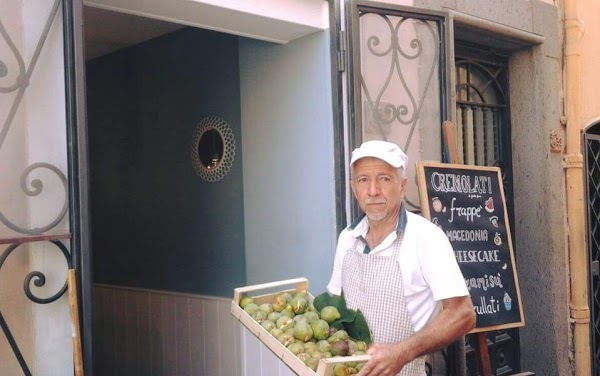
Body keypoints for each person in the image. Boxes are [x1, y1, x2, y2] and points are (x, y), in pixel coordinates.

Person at [327, 140, 476, 376]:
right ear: (353, 188)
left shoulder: (426, 237)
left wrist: (402, 352)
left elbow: (463, 314)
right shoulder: (347, 238)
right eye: (363, 180)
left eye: (384, 179)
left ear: (402, 186)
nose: (373, 191)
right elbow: (334, 305)